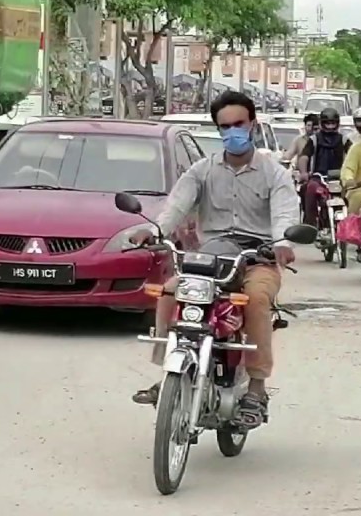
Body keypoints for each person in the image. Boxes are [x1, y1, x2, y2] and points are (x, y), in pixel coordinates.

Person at [127, 90, 297, 428]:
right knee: (170, 290)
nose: (233, 132)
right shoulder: (202, 170)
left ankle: (257, 389)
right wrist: (155, 231)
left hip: (257, 258)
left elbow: (284, 212)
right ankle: (169, 374)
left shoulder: (274, 173)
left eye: (239, 124)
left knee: (257, 299)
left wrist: (282, 242)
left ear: (253, 124)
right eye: (225, 126)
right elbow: (176, 206)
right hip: (212, 257)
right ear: (218, 130)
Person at [296, 107, 350, 226]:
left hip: (339, 178)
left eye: (332, 123)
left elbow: (354, 156)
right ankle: (310, 224)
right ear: (322, 123)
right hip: (318, 177)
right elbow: (304, 157)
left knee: (352, 194)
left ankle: (349, 225)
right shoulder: (314, 139)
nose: (330, 126)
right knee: (310, 189)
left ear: (337, 123)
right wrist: (304, 172)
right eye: (327, 123)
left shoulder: (344, 140)